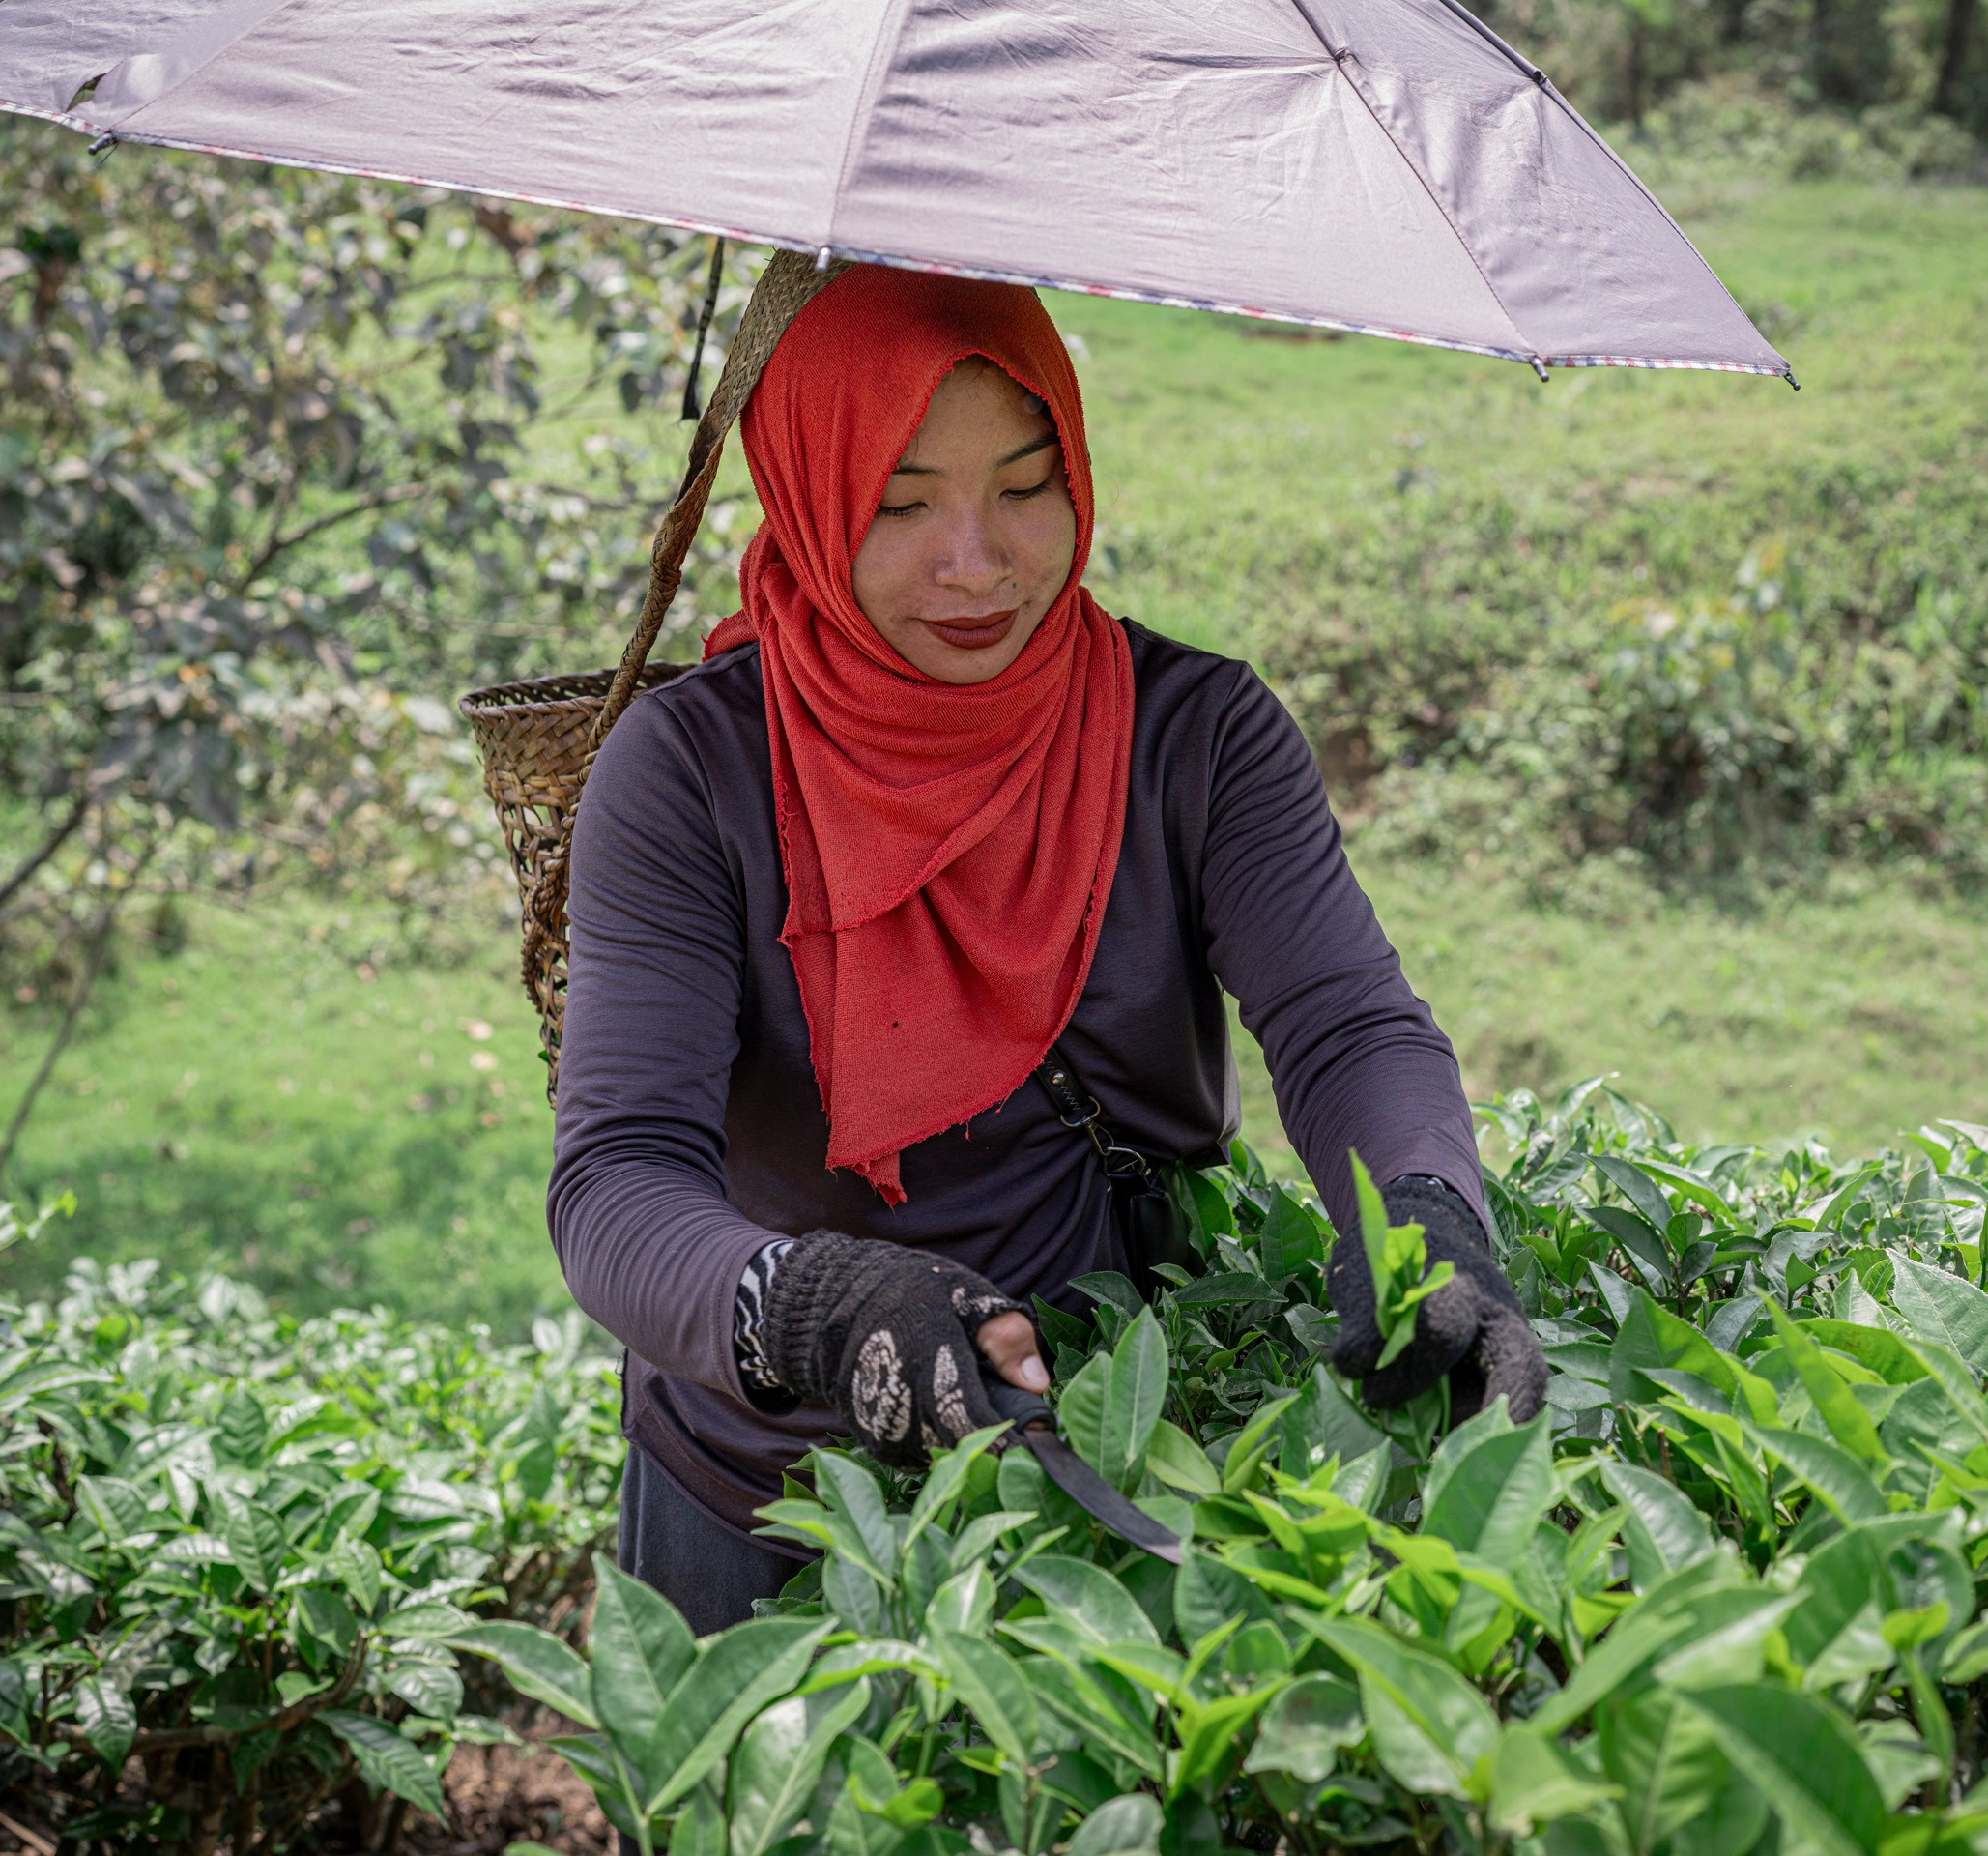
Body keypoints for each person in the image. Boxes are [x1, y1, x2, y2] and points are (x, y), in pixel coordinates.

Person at [548, 263, 1544, 1637]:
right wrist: (822, 1306)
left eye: (1025, 485)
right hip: (764, 1494)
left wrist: (1426, 1215)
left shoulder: (1194, 735)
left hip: (1116, 1462)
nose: (978, 560)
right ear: (810, 494)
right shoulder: (690, 773)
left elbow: (1344, 1023)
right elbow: (614, 1186)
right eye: (899, 503)